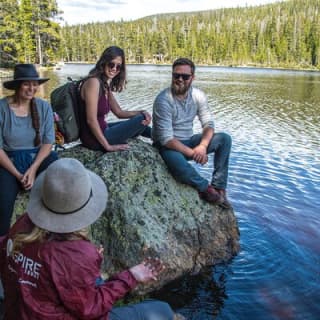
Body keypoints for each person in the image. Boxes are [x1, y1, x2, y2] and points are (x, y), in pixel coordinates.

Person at [0, 158, 174, 319]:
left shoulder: (22, 224)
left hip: (17, 313)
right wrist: (132, 276)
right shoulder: (77, 254)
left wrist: (88, 262)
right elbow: (89, 309)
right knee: (161, 309)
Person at [152, 58, 232, 208]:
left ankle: (219, 187)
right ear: (172, 75)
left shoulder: (198, 96)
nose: (180, 79)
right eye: (176, 75)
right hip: (167, 146)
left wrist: (202, 146)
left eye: (185, 76)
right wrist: (193, 153)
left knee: (224, 139)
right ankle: (205, 189)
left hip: (188, 140)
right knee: (177, 164)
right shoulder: (163, 100)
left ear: (192, 78)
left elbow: (208, 124)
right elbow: (167, 139)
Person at [0, 63, 58, 237]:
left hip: (37, 158)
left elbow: (48, 142)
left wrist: (32, 170)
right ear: (17, 85)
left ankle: (57, 233)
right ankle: (3, 244)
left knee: (59, 172)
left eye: (35, 84)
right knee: (4, 201)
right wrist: (18, 175)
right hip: (8, 162)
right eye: (27, 84)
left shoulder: (43, 107)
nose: (32, 88)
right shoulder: (2, 108)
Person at [79, 46, 152, 151]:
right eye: (111, 64)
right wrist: (108, 147)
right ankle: (163, 141)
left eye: (118, 67)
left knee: (141, 118)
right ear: (103, 63)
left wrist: (142, 111)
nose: (114, 69)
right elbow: (91, 120)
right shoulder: (93, 82)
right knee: (141, 119)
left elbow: (119, 113)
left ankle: (161, 139)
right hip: (93, 139)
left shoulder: (104, 85)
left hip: (103, 129)